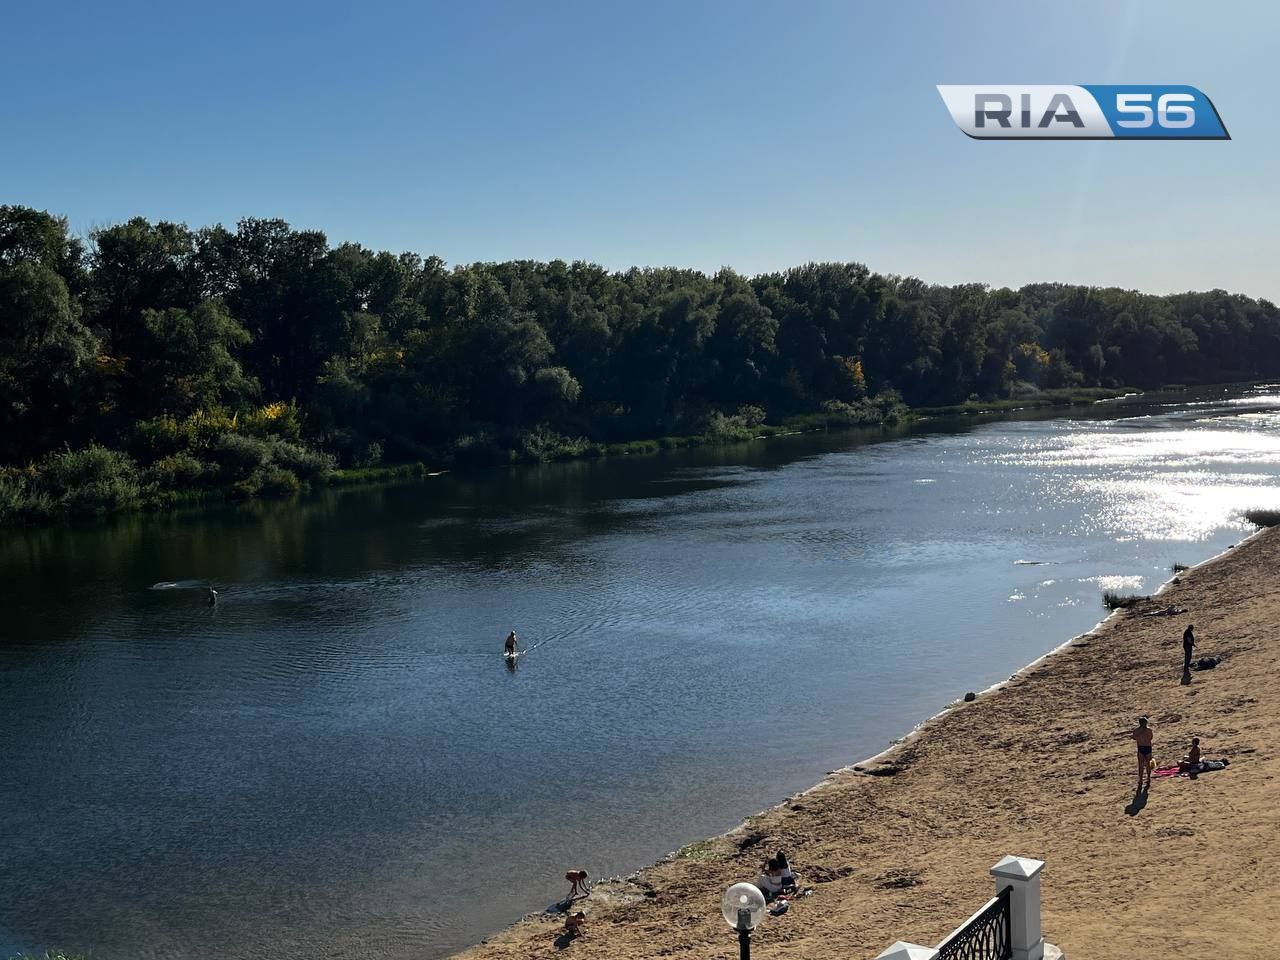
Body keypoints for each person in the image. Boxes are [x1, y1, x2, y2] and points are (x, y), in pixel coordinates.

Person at [1132, 717, 1154, 790]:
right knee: (1145, 764)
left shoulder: (1137, 731)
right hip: (1146, 747)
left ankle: (1143, 779)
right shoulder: (1149, 730)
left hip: (1141, 747)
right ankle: (1146, 778)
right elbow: (1150, 738)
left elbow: (1134, 737)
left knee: (1143, 765)